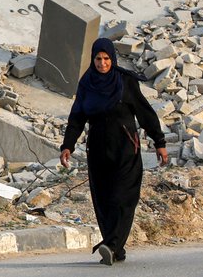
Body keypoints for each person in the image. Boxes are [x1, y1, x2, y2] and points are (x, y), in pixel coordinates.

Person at [60, 37, 168, 266]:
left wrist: (159, 142)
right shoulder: (87, 83)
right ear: (92, 59)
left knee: (123, 197)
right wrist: (67, 145)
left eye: (106, 58)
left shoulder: (125, 82)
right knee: (104, 200)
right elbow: (77, 117)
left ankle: (110, 244)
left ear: (113, 58)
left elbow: (144, 112)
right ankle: (116, 247)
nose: (102, 63)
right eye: (98, 59)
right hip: (98, 150)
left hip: (126, 148)